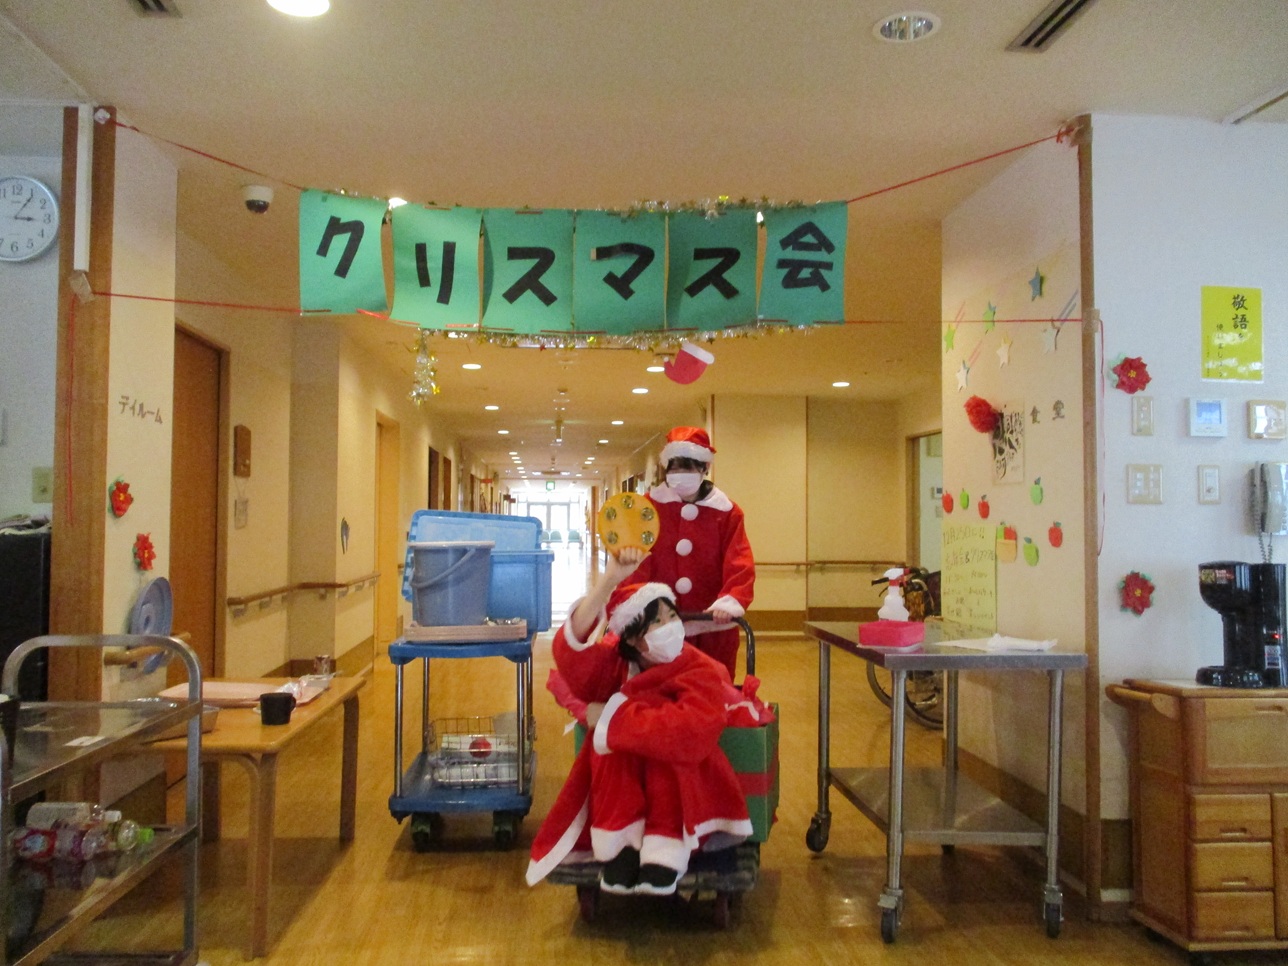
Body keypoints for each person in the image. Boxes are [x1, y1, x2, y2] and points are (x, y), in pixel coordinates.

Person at [525, 547, 752, 895]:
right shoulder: (617, 666)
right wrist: (609, 581)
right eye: (658, 622)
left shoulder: (698, 667)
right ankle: (621, 846)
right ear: (632, 638)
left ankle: (664, 852)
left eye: (672, 617)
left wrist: (612, 717)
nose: (671, 627)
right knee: (611, 756)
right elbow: (573, 657)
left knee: (660, 758)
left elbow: (691, 731)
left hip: (685, 781)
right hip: (626, 777)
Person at [627, 426, 755, 678]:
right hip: (658, 626)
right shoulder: (649, 508)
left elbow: (739, 562)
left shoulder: (727, 513)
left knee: (712, 687)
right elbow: (637, 561)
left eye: (687, 467)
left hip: (712, 627)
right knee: (658, 688)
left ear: (704, 468)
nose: (679, 475)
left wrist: (730, 601)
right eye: (673, 468)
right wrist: (637, 601)